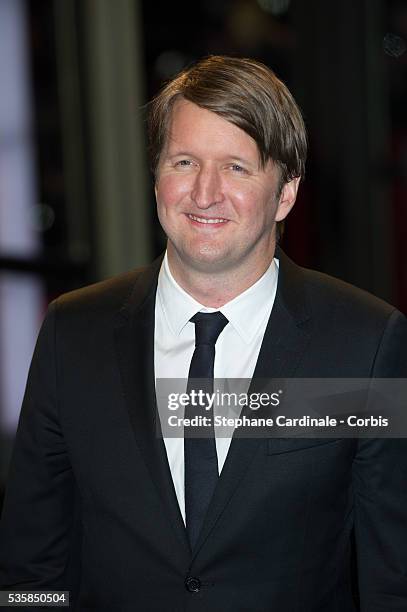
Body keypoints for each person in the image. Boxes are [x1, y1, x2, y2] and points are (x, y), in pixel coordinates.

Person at [0, 55, 406, 611]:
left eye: (236, 167)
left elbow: (393, 577)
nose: (205, 193)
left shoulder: (364, 344)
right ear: (157, 177)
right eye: (184, 161)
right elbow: (29, 566)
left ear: (285, 193)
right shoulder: (73, 334)